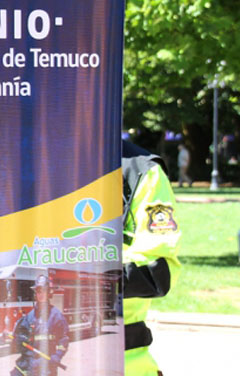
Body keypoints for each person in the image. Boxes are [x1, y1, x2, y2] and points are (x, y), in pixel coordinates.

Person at [122, 140, 181, 376]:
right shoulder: (8, 160)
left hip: (122, 361)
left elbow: (158, 271)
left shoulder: (141, 169)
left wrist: (72, 280)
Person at [10, 275, 69, 376]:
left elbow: (64, 338)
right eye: (38, 291)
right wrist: (17, 340)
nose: (40, 294)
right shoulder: (30, 316)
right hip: (32, 365)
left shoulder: (56, 315)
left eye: (43, 290)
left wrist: (57, 356)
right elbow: (20, 339)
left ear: (49, 292)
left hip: (48, 365)